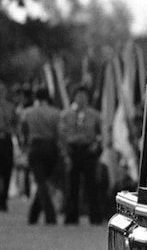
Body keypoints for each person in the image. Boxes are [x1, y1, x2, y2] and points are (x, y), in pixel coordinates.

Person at [59, 85, 102, 224]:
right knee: (72, 185)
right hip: (73, 151)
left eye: (84, 96)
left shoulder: (94, 115)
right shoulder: (66, 114)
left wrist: (96, 144)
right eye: (79, 96)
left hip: (88, 150)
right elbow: (61, 135)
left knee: (92, 185)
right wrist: (65, 152)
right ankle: (71, 217)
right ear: (74, 97)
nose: (81, 99)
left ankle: (95, 217)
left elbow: (101, 133)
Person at [21, 87, 61, 225]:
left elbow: (23, 131)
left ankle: (47, 215)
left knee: (41, 182)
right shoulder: (55, 113)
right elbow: (58, 132)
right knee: (43, 181)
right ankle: (36, 215)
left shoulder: (28, 112)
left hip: (35, 146)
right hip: (50, 148)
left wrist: (24, 146)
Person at [0, 81, 17, 212]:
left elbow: (15, 124)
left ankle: (4, 199)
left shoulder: (10, 107)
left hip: (6, 139)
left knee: (7, 169)